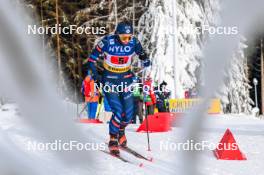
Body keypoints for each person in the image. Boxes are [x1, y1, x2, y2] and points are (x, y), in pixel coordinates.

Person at [87, 21, 151, 155]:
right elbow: (92, 60)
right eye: (123, 38)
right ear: (117, 35)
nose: (127, 41)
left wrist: (145, 59)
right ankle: (112, 139)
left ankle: (120, 131)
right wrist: (95, 74)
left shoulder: (134, 42)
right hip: (109, 80)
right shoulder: (107, 42)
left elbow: (143, 56)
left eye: (129, 37)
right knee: (117, 110)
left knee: (128, 115)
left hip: (126, 79)